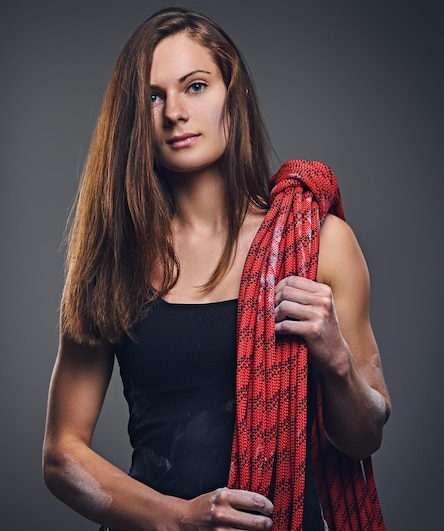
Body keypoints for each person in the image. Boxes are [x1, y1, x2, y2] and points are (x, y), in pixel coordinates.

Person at [43, 7, 391, 531]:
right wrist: (178, 518)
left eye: (196, 86)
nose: (174, 113)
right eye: (153, 96)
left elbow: (365, 437)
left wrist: (336, 360)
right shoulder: (115, 258)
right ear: (134, 117)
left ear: (234, 95)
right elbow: (62, 455)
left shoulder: (318, 242)